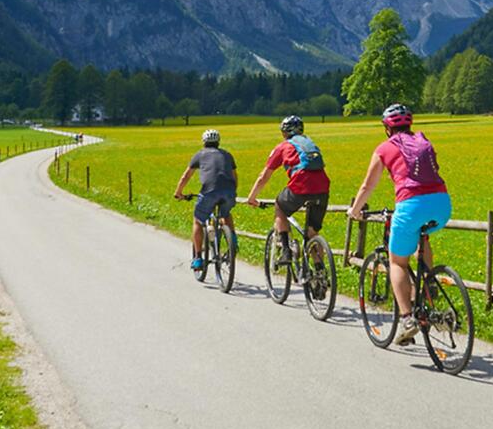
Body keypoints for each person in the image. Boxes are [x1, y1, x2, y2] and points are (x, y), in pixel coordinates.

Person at [346, 103, 450, 345]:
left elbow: (367, 186)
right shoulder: (424, 142)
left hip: (411, 205)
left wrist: (355, 211)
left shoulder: (384, 148)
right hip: (442, 204)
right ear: (409, 124)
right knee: (422, 238)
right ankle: (427, 286)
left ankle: (407, 319)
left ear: (386, 127)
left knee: (397, 262)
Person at [244, 114, 330, 265]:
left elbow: (264, 176)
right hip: (323, 187)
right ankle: (320, 273)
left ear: (284, 132)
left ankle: (286, 251)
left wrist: (252, 197)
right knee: (312, 233)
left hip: (301, 184)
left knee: (280, 207)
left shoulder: (283, 146)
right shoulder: (310, 143)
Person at [173, 128, 237, 272]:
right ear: (218, 142)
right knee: (226, 214)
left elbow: (186, 176)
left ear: (204, 142)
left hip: (209, 192)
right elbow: (234, 176)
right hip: (229, 192)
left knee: (197, 220)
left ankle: (197, 258)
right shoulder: (227, 155)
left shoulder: (199, 155)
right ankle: (233, 241)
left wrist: (178, 192)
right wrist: (233, 192)